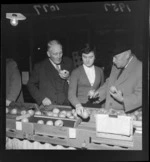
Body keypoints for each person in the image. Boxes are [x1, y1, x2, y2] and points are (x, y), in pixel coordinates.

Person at [89, 42, 142, 113]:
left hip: (127, 116)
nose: (113, 61)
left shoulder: (141, 68)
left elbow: (142, 96)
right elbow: (109, 83)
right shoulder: (116, 65)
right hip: (109, 113)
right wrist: (97, 94)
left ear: (127, 54)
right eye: (112, 57)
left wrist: (123, 99)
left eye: (116, 57)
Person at [27, 40, 73, 106]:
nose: (59, 56)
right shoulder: (39, 67)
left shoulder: (69, 62)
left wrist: (68, 77)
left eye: (60, 53)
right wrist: (41, 98)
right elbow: (30, 84)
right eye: (55, 54)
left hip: (67, 105)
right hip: (48, 107)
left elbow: (77, 82)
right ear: (48, 54)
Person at [68, 44, 104, 115]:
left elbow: (103, 89)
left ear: (95, 57)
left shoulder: (100, 71)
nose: (87, 60)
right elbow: (71, 95)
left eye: (91, 57)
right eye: (85, 57)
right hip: (81, 107)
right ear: (81, 56)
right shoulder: (76, 72)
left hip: (96, 107)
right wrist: (78, 105)